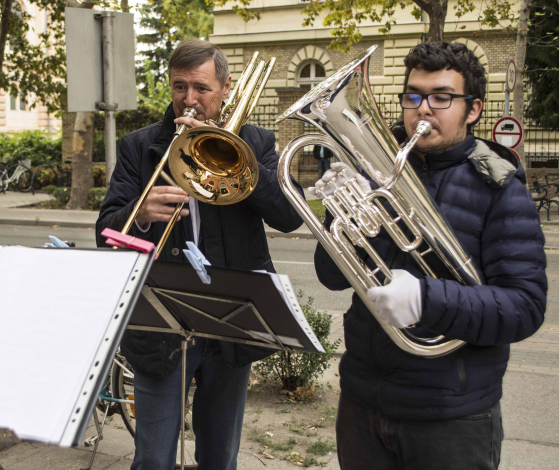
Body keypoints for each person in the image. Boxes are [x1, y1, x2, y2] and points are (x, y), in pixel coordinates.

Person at [310, 41, 547, 470]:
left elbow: (524, 307)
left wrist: (426, 300)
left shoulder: (500, 188)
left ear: (472, 110)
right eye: (413, 96)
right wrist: (341, 215)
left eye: (441, 98)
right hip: (363, 402)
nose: (423, 109)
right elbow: (330, 275)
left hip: (452, 417)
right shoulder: (371, 168)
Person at [95, 39, 305, 469]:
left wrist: (241, 159)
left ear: (226, 88)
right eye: (179, 87)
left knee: (220, 456)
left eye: (201, 88)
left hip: (232, 322)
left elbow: (289, 216)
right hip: (161, 325)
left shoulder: (258, 142)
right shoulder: (140, 146)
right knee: (152, 457)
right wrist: (139, 215)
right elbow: (104, 231)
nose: (188, 100)